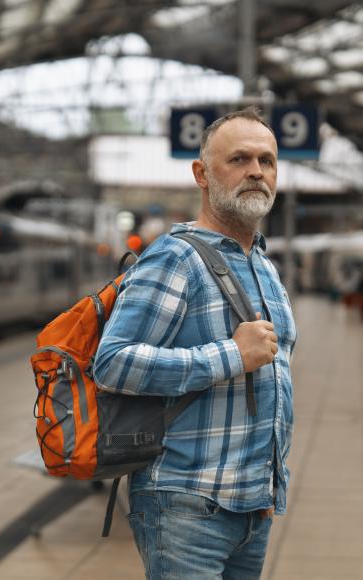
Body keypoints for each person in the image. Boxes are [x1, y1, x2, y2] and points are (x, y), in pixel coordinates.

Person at [93, 108, 296, 580]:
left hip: (252, 505)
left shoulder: (263, 263)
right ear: (202, 174)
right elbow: (113, 362)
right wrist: (231, 355)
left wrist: (267, 486)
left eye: (267, 161)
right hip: (186, 503)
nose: (256, 172)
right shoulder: (174, 258)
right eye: (239, 159)